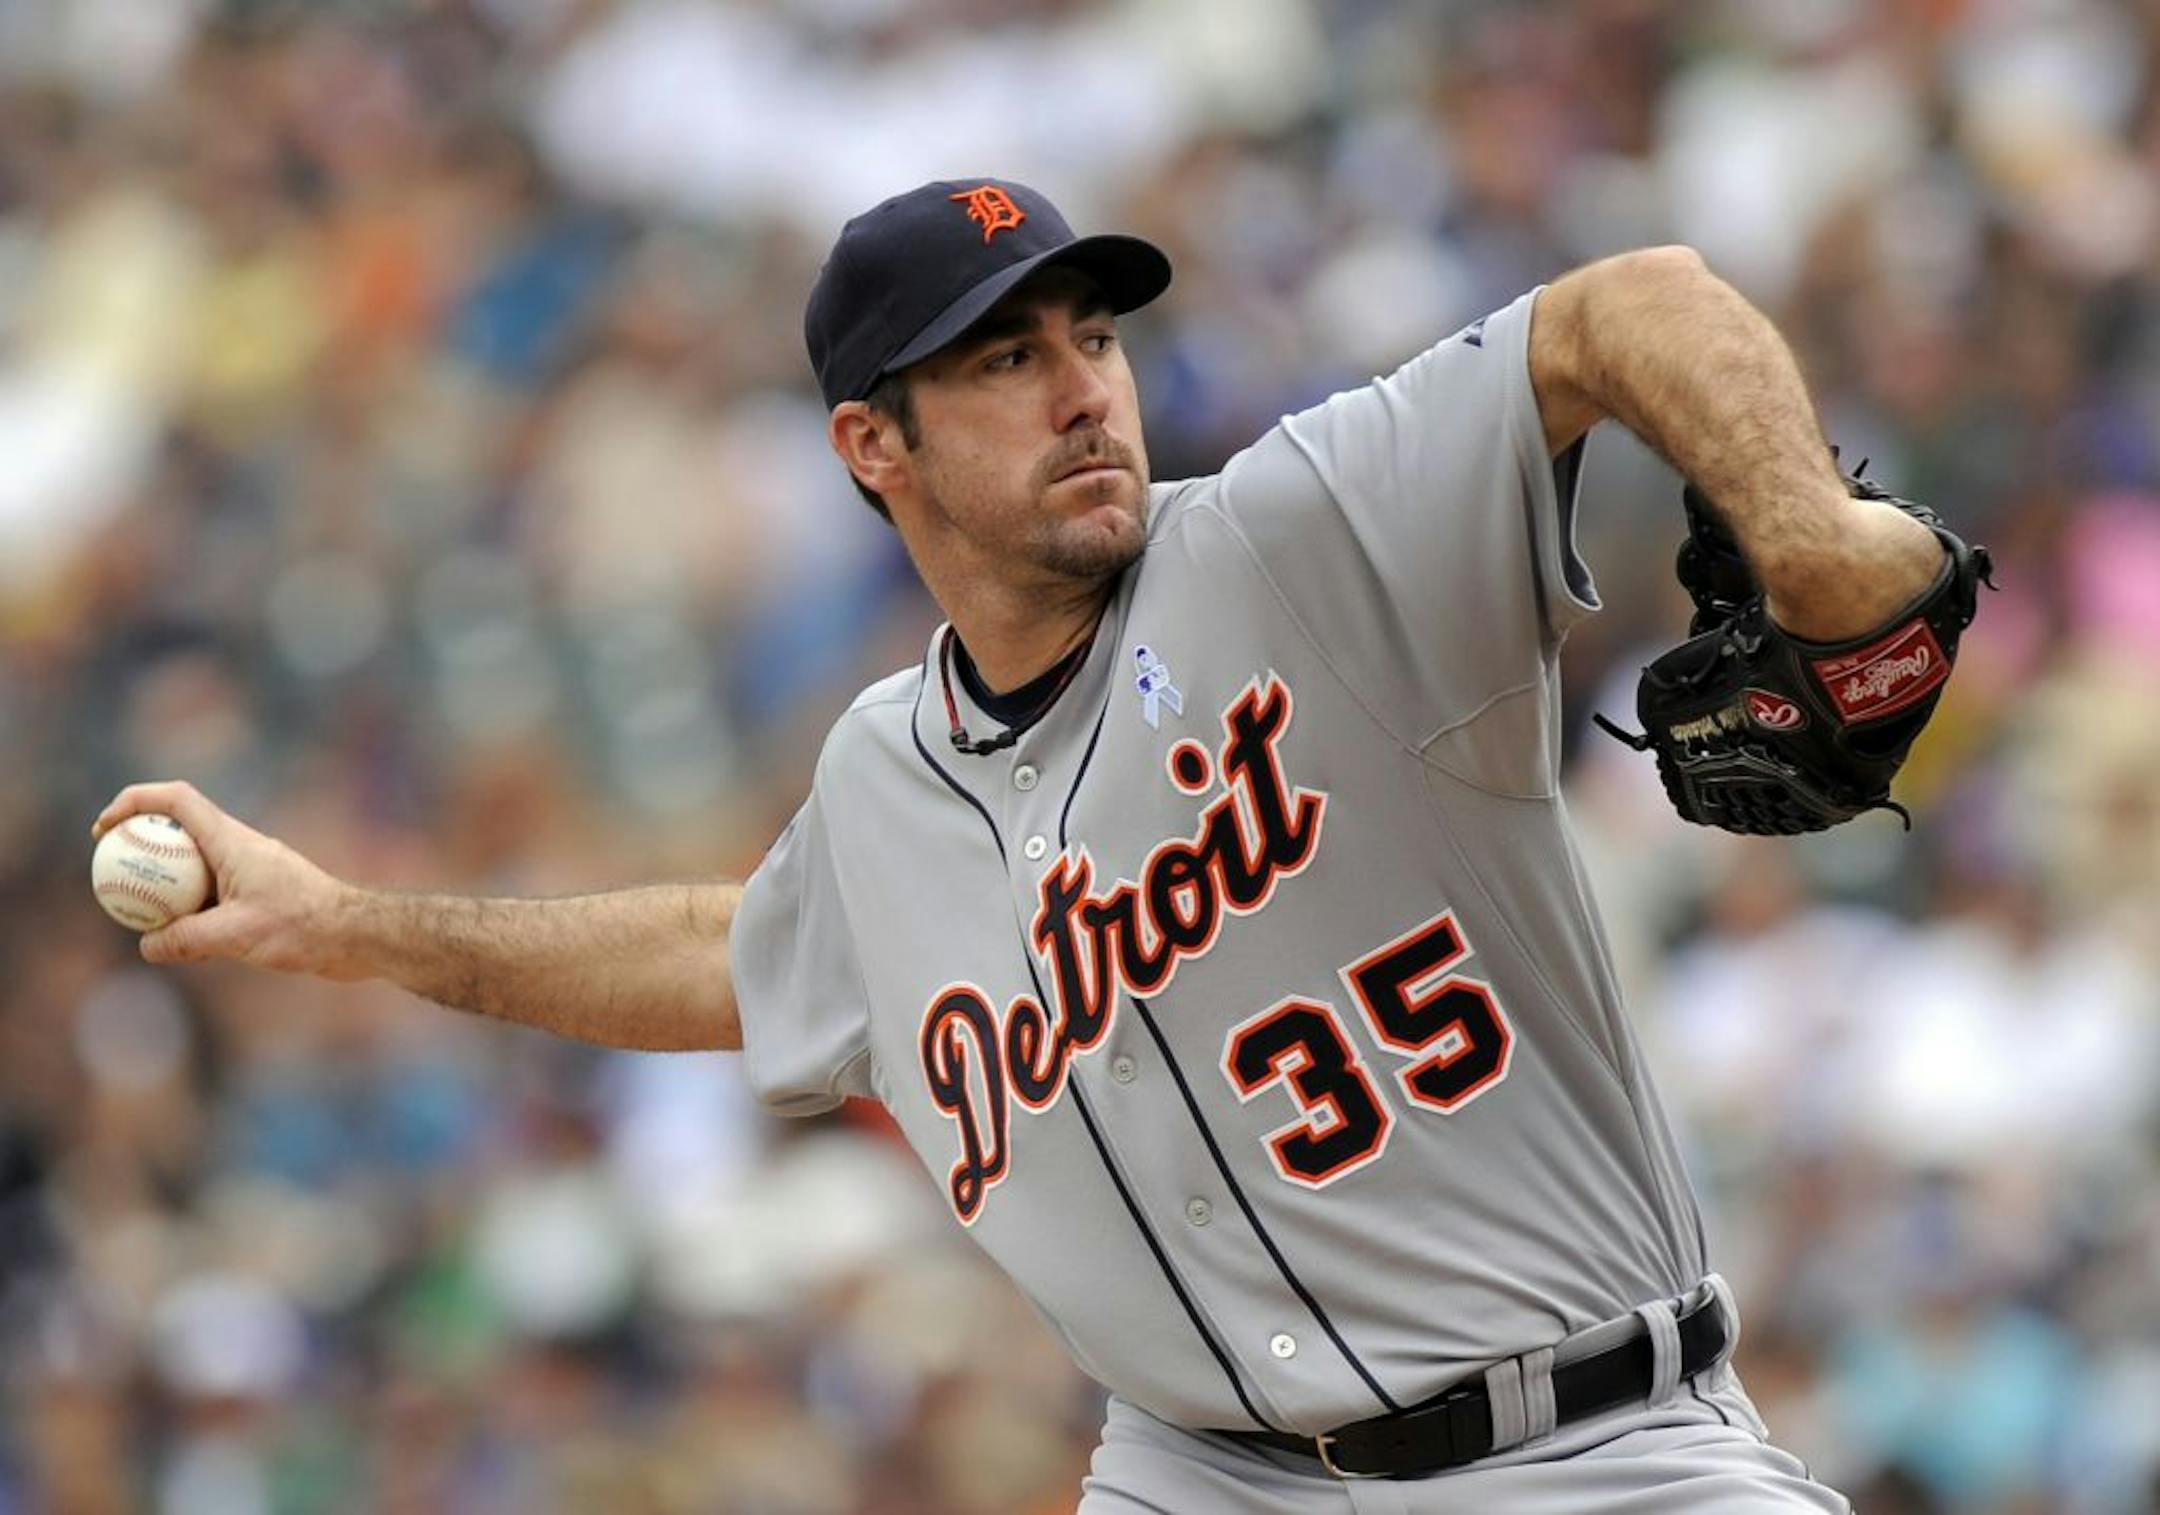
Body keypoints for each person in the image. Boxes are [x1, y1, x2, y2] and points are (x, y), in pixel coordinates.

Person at [97, 177, 1946, 1510]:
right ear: (869, 444)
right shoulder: (884, 779)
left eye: (1092, 334)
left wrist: (1811, 540)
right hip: (1207, 1484)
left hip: (1597, 1454)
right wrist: (345, 924)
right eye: (1000, 361)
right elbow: (729, 960)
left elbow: (1630, 304)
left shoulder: (1300, 541)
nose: (1081, 387)